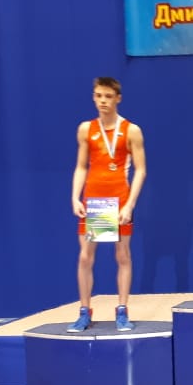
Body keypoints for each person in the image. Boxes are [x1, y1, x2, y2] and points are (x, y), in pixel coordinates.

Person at [68, 77, 148, 333]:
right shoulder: (86, 129)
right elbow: (81, 166)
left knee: (122, 255)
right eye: (99, 96)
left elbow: (141, 170)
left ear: (118, 99)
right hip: (93, 200)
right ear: (94, 97)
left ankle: (122, 311)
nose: (103, 101)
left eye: (108, 96)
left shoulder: (131, 130)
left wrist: (130, 205)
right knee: (85, 257)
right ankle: (84, 312)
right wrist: (75, 197)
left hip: (119, 199)